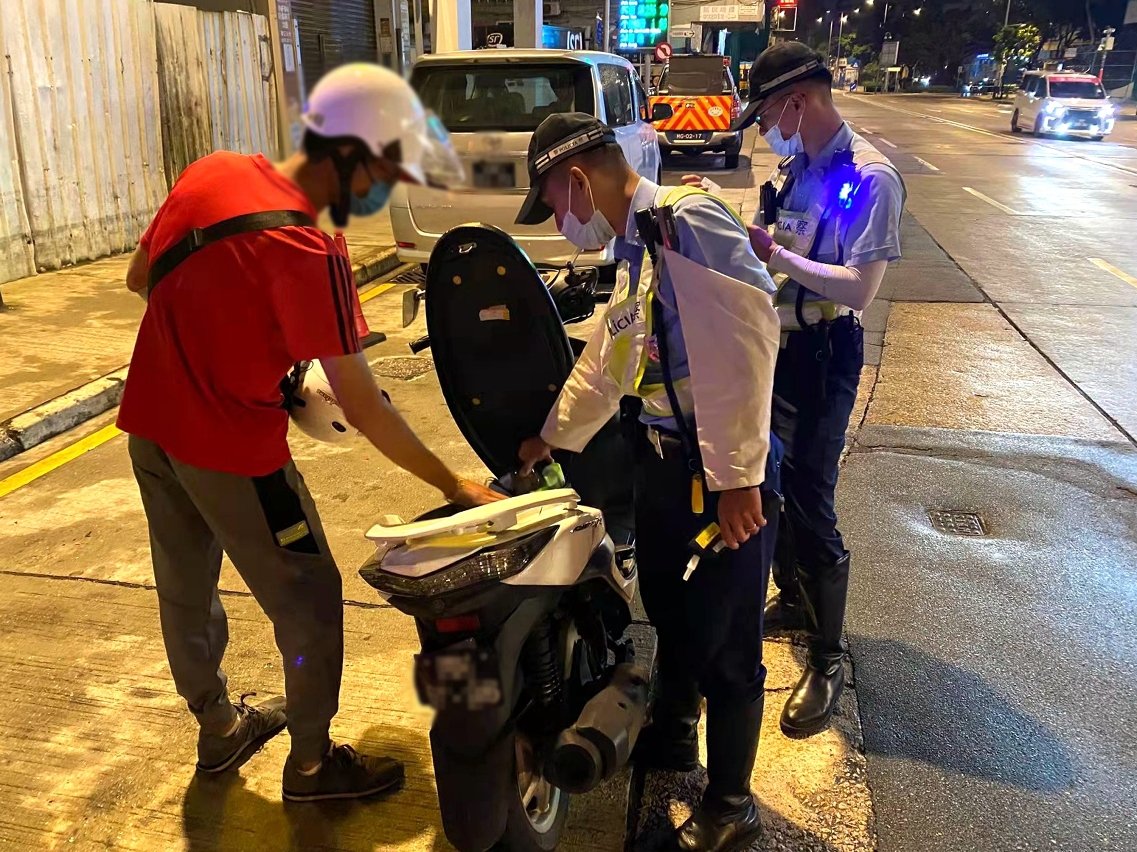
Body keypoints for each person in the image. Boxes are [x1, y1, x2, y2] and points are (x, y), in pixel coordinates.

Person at [118, 63, 501, 801]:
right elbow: (365, 408)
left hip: (151, 428)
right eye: (384, 170)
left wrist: (222, 341)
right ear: (350, 152)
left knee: (185, 589)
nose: (383, 188)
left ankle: (218, 728)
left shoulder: (210, 172)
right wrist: (452, 484)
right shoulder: (309, 248)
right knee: (311, 601)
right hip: (236, 455)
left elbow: (142, 278)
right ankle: (313, 765)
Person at [514, 113, 783, 852]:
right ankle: (677, 728)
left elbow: (749, 341)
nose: (561, 221)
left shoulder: (686, 221)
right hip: (664, 464)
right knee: (668, 606)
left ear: (577, 178)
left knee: (729, 640)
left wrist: (740, 479)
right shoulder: (637, 244)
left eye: (554, 201)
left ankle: (731, 804)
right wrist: (550, 436)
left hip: (720, 475)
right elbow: (612, 358)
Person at [700, 42, 906, 738]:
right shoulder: (792, 172)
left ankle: (827, 658)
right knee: (773, 483)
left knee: (812, 498)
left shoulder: (870, 178)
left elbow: (859, 289)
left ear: (797, 101)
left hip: (824, 355)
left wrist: (777, 255)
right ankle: (793, 597)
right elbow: (764, 258)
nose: (765, 128)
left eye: (766, 114)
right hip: (778, 349)